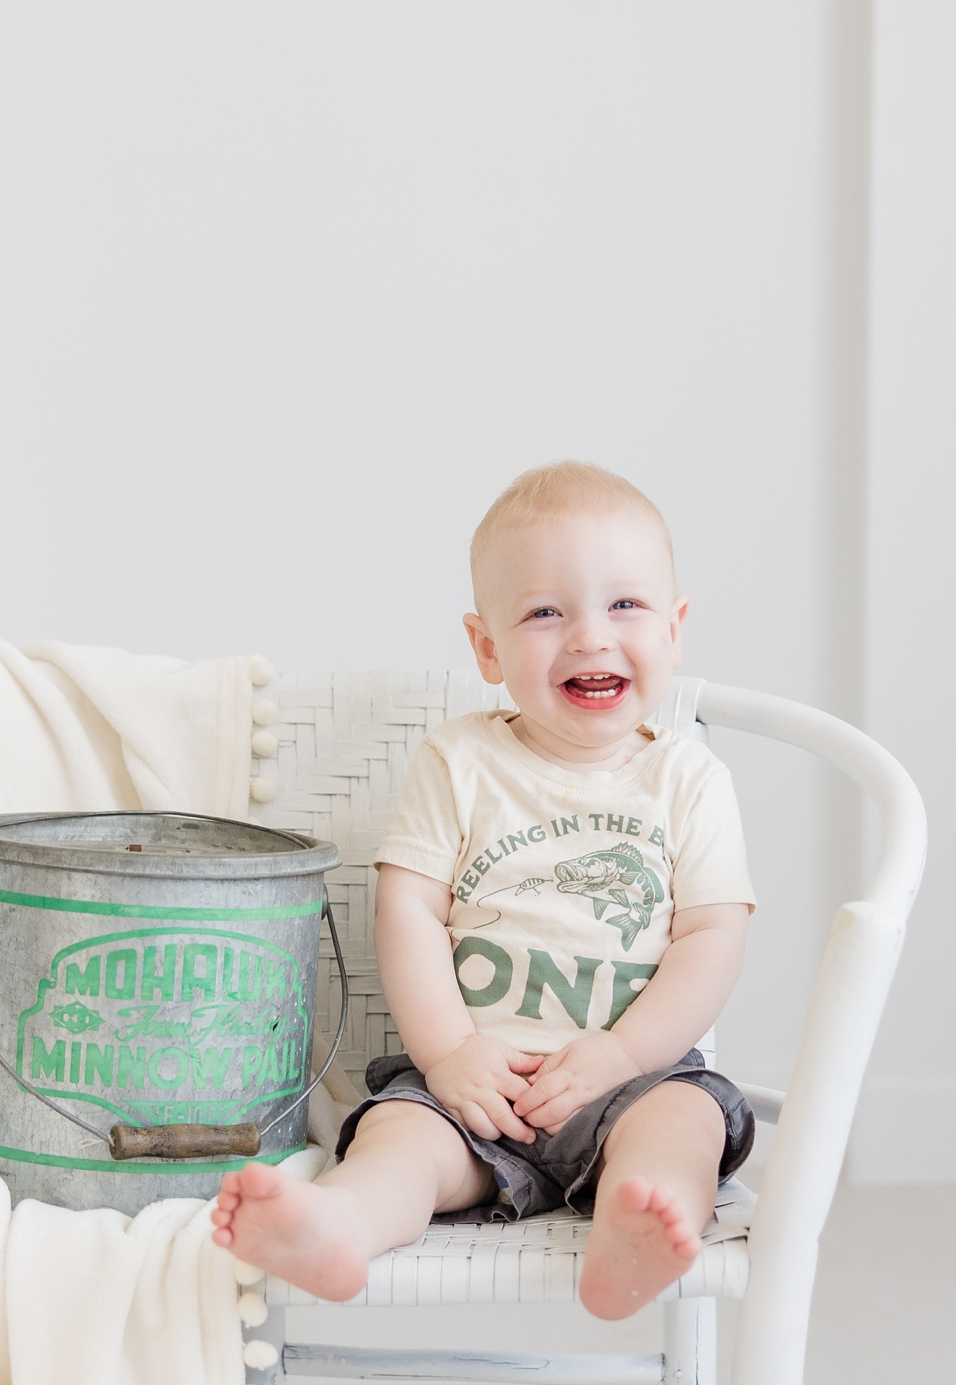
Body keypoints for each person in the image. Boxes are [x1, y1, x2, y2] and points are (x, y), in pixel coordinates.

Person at [210, 461, 755, 1320]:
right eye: (546, 612)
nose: (589, 637)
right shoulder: (460, 761)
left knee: (685, 1126)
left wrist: (619, 1056)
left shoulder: (687, 778)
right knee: (400, 1141)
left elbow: (712, 938)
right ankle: (342, 1227)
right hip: (474, 1088)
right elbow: (411, 908)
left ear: (675, 629)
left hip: (631, 1077)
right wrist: (449, 1055)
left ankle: (637, 1229)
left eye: (626, 605)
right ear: (487, 647)